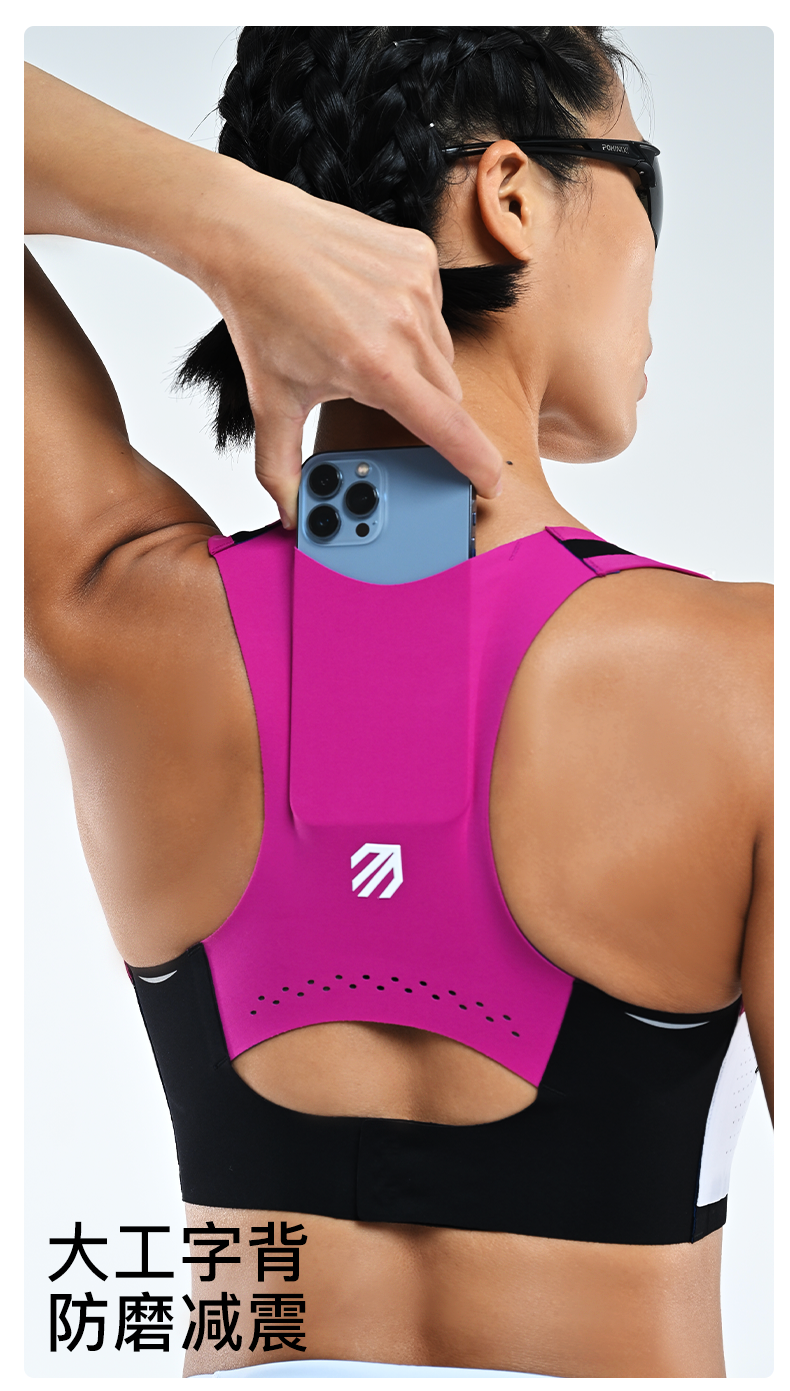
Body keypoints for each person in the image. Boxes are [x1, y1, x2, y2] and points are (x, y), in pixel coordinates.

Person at [25, 25, 772, 1380]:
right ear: (510, 194)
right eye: (646, 187)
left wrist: (218, 222)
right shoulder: (750, 683)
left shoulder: (112, 613)